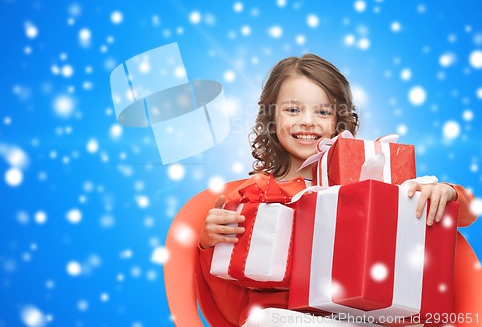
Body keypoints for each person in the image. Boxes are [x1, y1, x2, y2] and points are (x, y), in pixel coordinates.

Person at [197, 54, 478, 327]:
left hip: (367, 317)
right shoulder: (252, 197)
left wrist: (447, 193)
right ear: (270, 117)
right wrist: (210, 242)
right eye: (293, 109)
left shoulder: (369, 180)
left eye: (322, 111)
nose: (308, 121)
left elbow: (464, 215)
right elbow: (230, 305)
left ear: (338, 121)